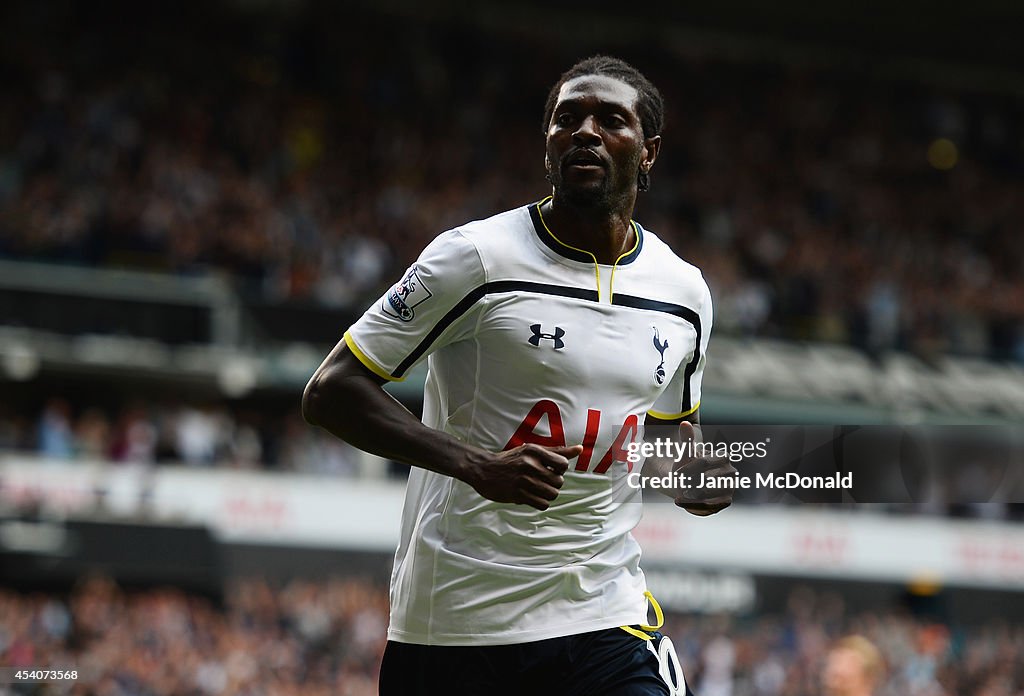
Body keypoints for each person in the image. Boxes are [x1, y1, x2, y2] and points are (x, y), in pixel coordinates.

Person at [303, 55, 736, 696]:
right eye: (568, 119)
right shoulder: (475, 258)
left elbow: (672, 433)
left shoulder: (684, 293)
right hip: (457, 620)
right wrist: (475, 464)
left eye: (611, 120)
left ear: (648, 152)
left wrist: (694, 477)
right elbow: (331, 392)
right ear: (548, 145)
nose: (585, 131)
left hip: (604, 613)